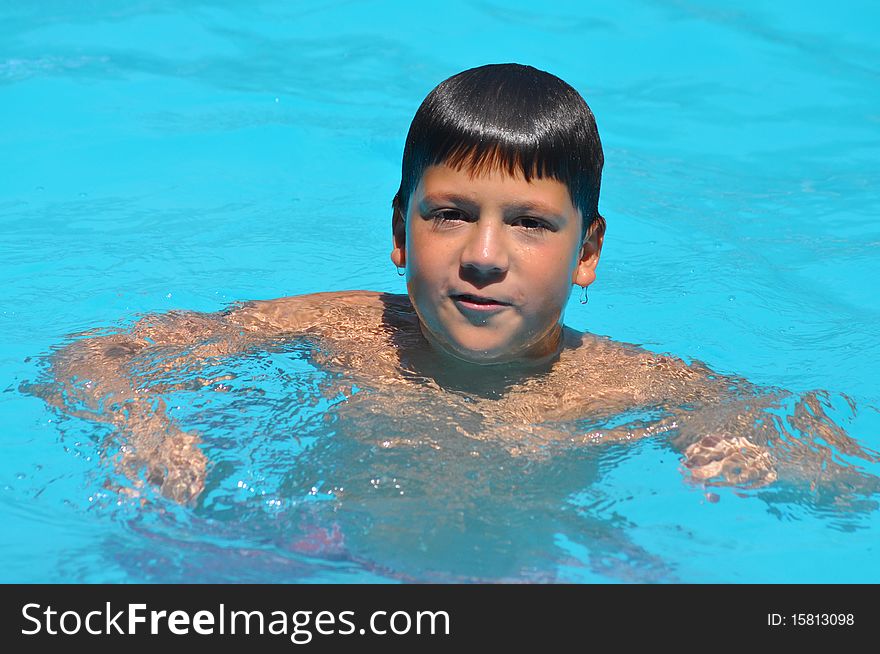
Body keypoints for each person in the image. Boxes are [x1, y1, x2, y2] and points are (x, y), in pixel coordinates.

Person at [39, 64, 876, 505]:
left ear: (588, 251)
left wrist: (758, 449)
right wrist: (139, 425)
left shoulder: (625, 384)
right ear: (398, 231)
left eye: (531, 223)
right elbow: (94, 355)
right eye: (448, 215)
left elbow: (841, 474)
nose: (483, 254)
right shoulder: (344, 329)